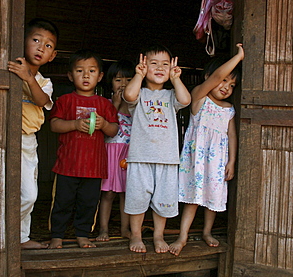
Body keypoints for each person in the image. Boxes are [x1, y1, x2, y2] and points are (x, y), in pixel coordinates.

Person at [169, 44, 244, 256]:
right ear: (210, 77)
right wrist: (239, 56)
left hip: (218, 161)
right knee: (194, 199)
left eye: (232, 85)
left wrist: (231, 161)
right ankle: (182, 236)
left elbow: (232, 136)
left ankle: (207, 232)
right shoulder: (199, 97)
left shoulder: (229, 109)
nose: (226, 87)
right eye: (224, 80)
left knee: (213, 198)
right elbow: (217, 76)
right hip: (198, 159)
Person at [123, 45, 191, 253]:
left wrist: (176, 79)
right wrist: (138, 76)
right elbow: (129, 96)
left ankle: (158, 236)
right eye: (153, 63)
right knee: (137, 198)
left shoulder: (171, 95)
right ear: (144, 66)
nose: (159, 68)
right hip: (140, 158)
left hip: (167, 159)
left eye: (165, 64)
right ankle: (136, 235)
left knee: (163, 199)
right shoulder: (141, 93)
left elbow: (185, 100)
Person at [48, 49, 119, 249]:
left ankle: (82, 234)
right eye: (80, 71)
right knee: (62, 203)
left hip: (94, 167)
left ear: (100, 76)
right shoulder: (65, 100)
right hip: (67, 166)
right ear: (70, 75)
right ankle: (57, 236)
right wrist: (74, 124)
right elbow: (54, 125)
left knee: (88, 204)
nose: (86, 75)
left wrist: (104, 124)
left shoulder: (104, 104)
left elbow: (114, 130)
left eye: (92, 71)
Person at [7, 18, 58, 249]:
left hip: (27, 141)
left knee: (28, 195)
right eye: (36, 40)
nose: (41, 47)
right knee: (0, 190)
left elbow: (41, 100)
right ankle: (4, 236)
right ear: (22, 41)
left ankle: (20, 237)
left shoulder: (43, 82)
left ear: (53, 56)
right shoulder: (9, 70)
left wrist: (28, 77)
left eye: (48, 45)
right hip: (0, 139)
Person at [96, 60, 135, 242]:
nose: (124, 84)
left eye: (128, 79)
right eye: (118, 80)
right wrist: (117, 104)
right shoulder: (107, 103)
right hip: (111, 151)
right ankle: (103, 229)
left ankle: (125, 229)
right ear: (110, 82)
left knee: (127, 193)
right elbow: (106, 124)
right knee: (108, 193)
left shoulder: (137, 105)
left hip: (130, 153)